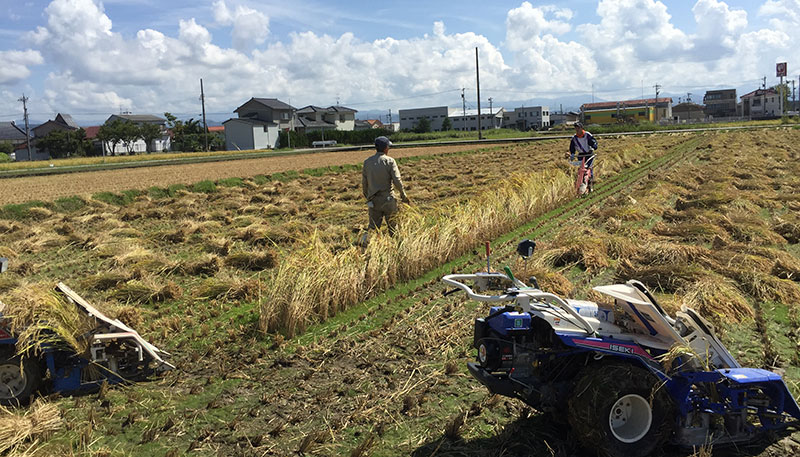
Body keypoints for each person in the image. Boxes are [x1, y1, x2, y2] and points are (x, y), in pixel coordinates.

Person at [362, 136, 410, 237]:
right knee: (393, 227)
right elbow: (397, 180)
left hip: (374, 201)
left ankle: (366, 248)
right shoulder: (390, 161)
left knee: (372, 228)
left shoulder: (367, 162)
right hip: (388, 200)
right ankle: (397, 248)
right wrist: (403, 194)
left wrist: (368, 197)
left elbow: (364, 184)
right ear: (386, 148)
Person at [566, 122, 598, 191]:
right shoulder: (574, 138)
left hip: (589, 154)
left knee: (589, 168)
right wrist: (572, 153)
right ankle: (581, 182)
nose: (577, 129)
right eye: (576, 128)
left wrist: (594, 146)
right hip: (581, 155)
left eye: (578, 128)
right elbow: (572, 147)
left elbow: (593, 142)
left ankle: (590, 182)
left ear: (581, 128)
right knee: (581, 169)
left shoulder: (587, 135)